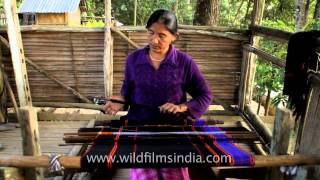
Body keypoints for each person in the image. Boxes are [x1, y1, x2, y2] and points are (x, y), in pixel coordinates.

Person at [103, 9, 212, 180]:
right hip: (139, 131)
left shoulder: (184, 63)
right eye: (151, 33)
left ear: (174, 36)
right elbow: (127, 94)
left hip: (174, 133)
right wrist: (119, 102)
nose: (154, 40)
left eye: (162, 35)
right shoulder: (133, 60)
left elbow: (205, 95)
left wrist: (181, 107)